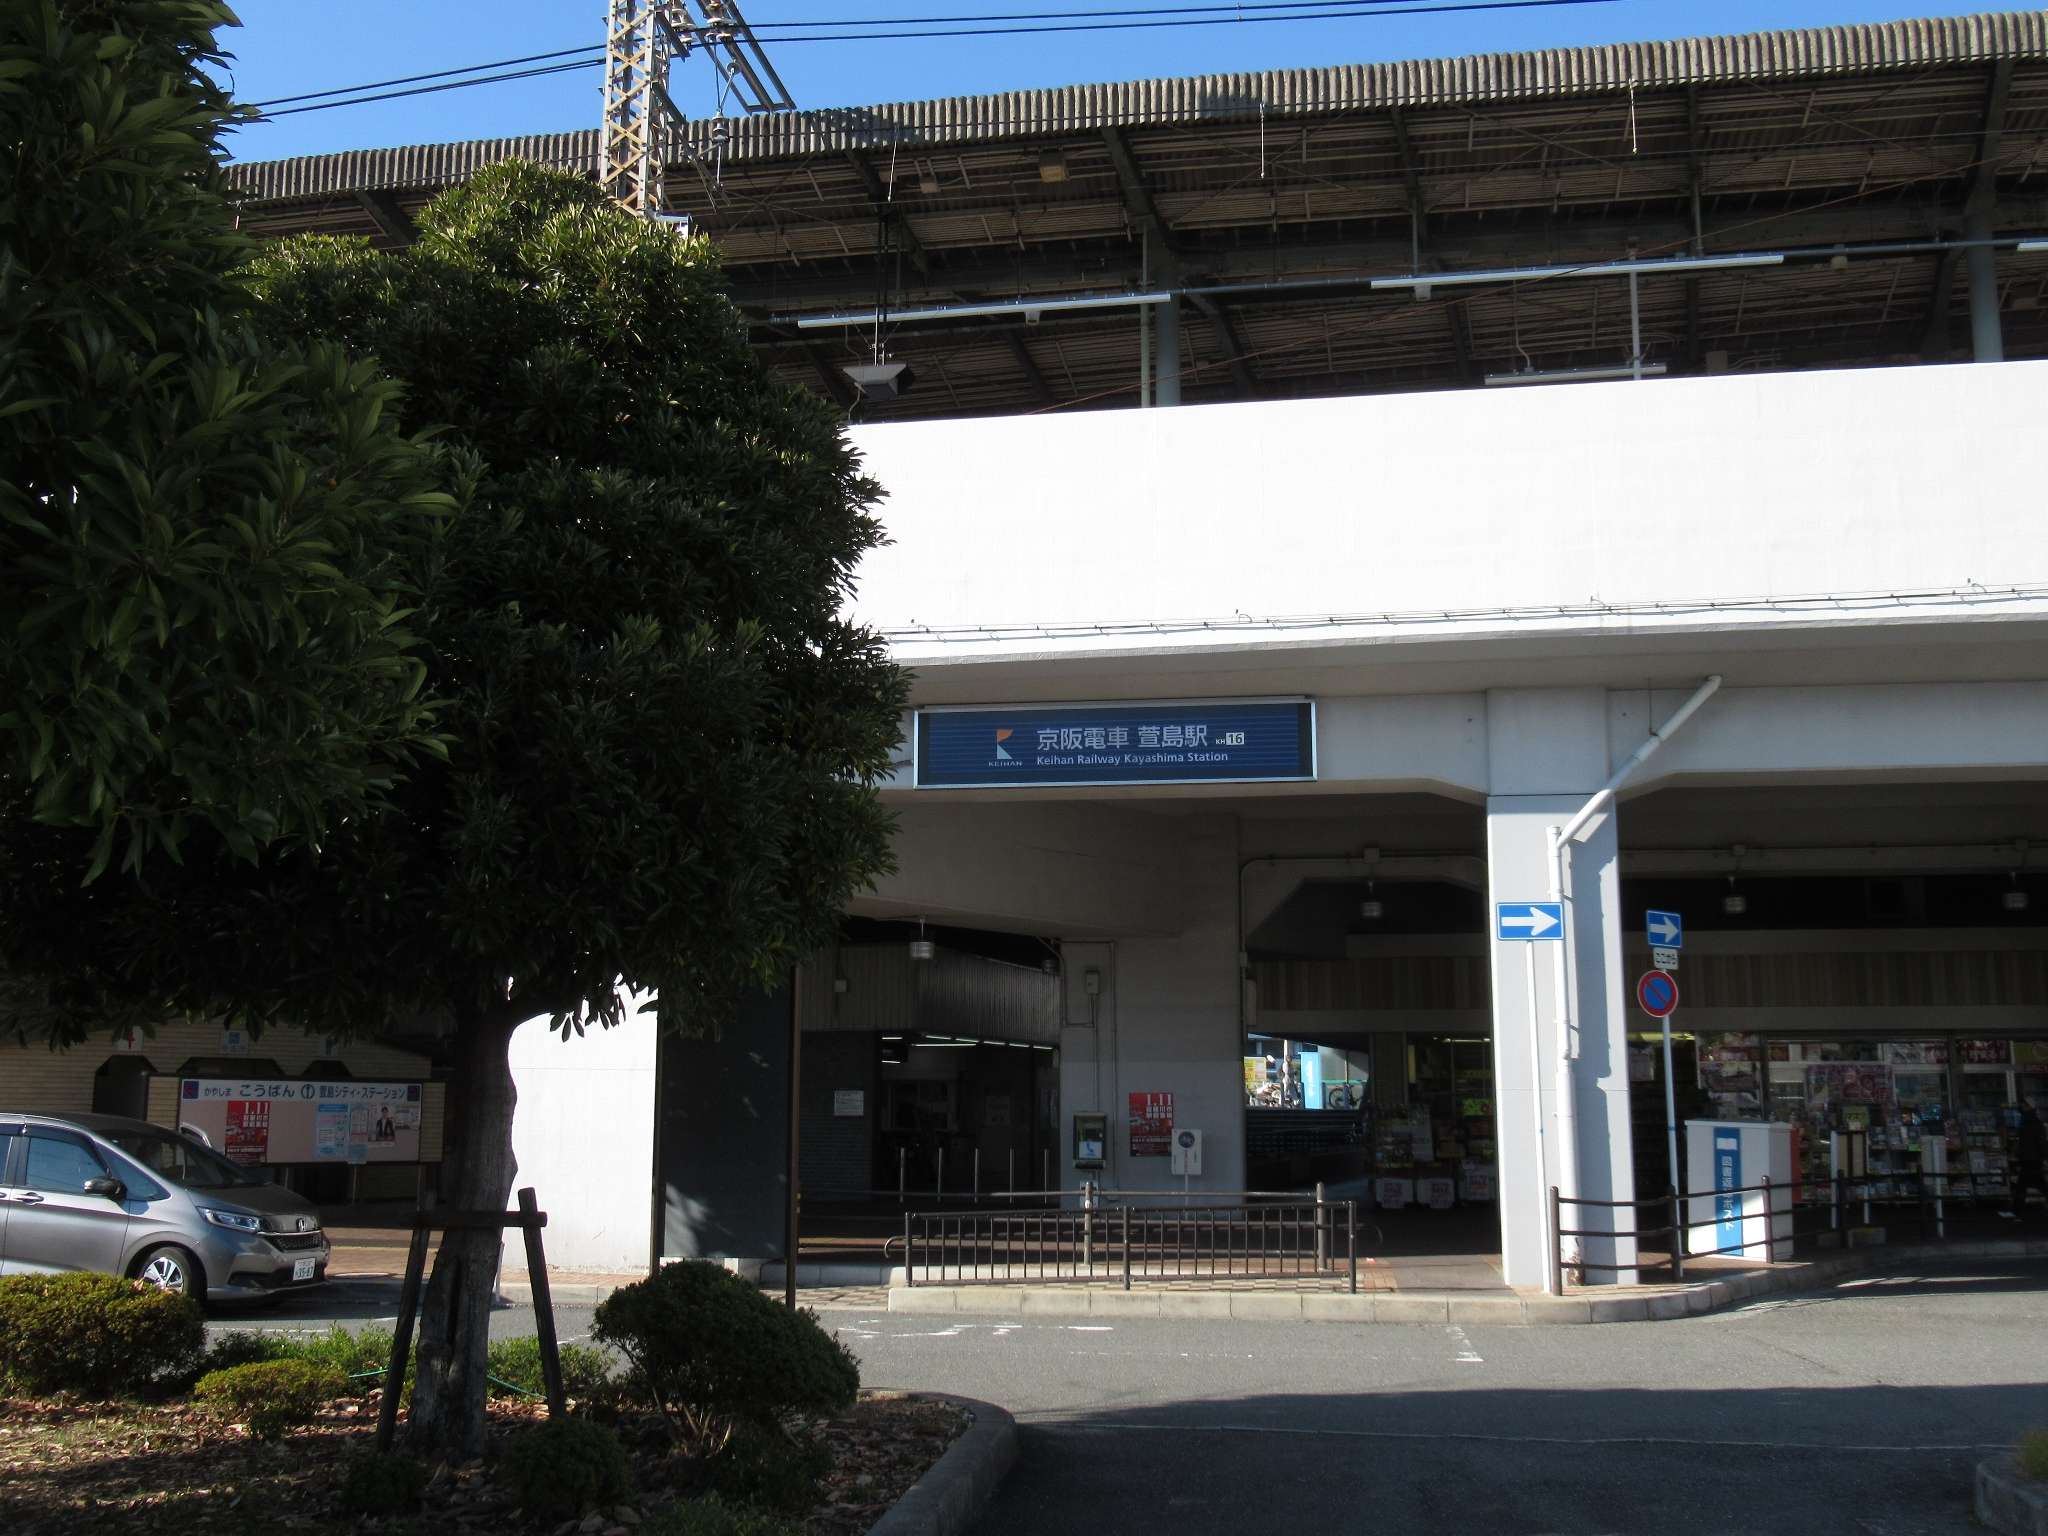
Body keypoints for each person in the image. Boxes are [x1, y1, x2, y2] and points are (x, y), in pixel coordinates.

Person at [2015, 1099, 2047, 1225]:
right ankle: (2017, 1212)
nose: (2021, 1106)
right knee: (2039, 1184)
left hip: (2027, 1159)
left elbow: (2024, 1143)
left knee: (2022, 1187)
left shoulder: (2024, 1123)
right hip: (2034, 1159)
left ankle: (2017, 1212)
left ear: (2028, 1107)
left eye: (2024, 1105)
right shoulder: (2036, 1123)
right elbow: (2041, 1143)